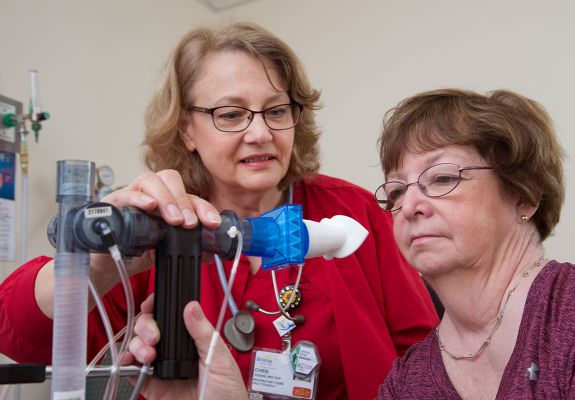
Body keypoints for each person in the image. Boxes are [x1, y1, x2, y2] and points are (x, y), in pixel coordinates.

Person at [0, 22, 438, 399]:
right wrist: (95, 268)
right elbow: (18, 334)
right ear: (187, 128)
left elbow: (424, 354)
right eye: (231, 115)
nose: (261, 133)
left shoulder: (353, 211)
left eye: (276, 110)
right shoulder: (160, 224)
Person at [375, 88, 573, 399]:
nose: (410, 206)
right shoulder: (404, 383)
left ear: (524, 194)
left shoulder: (567, 312)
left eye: (441, 178)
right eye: (397, 191)